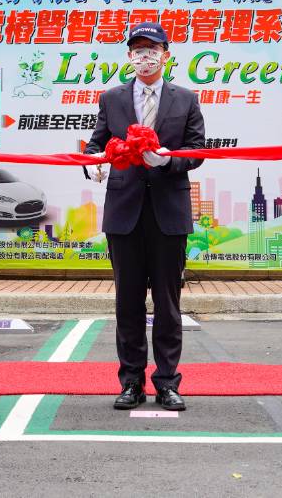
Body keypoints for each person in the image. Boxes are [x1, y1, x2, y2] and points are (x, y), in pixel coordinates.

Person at [84, 22, 206, 412]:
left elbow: (198, 150)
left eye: (152, 49)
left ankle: (168, 382)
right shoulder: (112, 98)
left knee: (168, 304)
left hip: (169, 212)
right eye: (137, 49)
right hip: (125, 212)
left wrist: (169, 160)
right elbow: (95, 145)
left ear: (166, 55)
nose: (145, 56)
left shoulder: (186, 99)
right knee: (128, 302)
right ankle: (131, 381)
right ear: (129, 57)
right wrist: (92, 164)